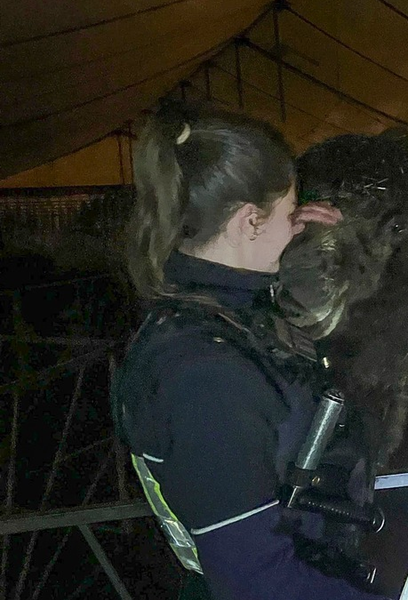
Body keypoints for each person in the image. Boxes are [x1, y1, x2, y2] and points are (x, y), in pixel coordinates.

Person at [110, 101, 389, 600]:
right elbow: (255, 580)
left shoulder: (207, 307)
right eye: (287, 211)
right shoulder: (202, 376)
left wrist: (306, 242)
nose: (296, 222)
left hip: (314, 559)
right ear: (246, 222)